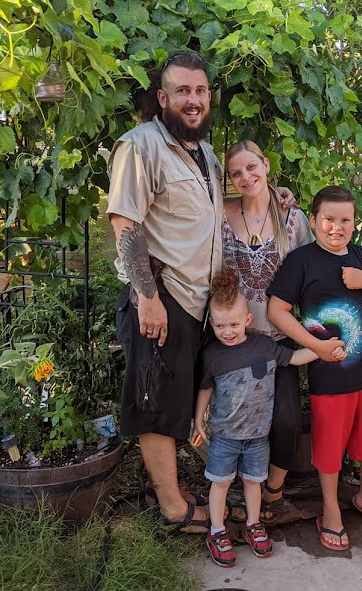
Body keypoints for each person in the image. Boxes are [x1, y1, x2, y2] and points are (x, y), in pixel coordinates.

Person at [106, 51, 293, 532]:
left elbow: (211, 207)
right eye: (183, 91)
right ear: (162, 97)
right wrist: (148, 298)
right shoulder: (141, 147)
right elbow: (125, 222)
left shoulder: (204, 153)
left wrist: (270, 196)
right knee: (156, 406)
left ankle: (170, 492)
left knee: (173, 402)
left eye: (201, 90)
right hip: (161, 297)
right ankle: (173, 508)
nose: (193, 100)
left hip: (194, 303)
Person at [267, 185, 362, 551]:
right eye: (329, 219)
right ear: (314, 220)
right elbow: (276, 310)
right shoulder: (301, 261)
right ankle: (330, 509)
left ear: (354, 222)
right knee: (330, 448)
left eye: (345, 220)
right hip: (328, 376)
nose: (337, 227)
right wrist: (314, 345)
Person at [191, 267, 345, 567]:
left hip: (258, 436)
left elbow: (295, 358)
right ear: (212, 323)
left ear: (248, 320)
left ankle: (253, 524)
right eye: (220, 326)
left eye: (234, 324)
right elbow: (205, 389)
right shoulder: (212, 355)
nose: (227, 332)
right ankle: (217, 530)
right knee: (220, 483)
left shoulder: (264, 346)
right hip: (225, 436)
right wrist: (198, 421)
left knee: (253, 482)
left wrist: (323, 349)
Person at [222, 140, 315, 523]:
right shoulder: (221, 213)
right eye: (236, 173)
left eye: (251, 167)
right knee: (237, 423)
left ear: (265, 165)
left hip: (280, 336)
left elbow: (313, 269)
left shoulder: (293, 218)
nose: (246, 177)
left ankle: (273, 491)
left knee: (287, 421)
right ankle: (238, 492)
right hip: (235, 340)